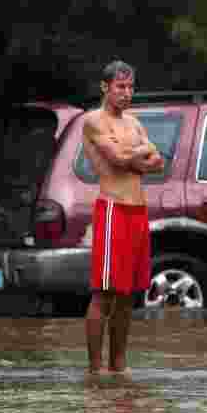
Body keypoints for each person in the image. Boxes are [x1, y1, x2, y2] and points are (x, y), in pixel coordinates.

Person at [81, 60, 164, 378]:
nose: (126, 93)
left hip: (138, 211)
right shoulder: (93, 121)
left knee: (128, 293)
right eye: (120, 87)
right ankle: (94, 370)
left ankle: (118, 367)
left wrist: (136, 157)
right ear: (105, 87)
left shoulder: (134, 123)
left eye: (130, 87)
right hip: (113, 210)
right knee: (104, 292)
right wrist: (138, 155)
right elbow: (116, 161)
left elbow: (159, 162)